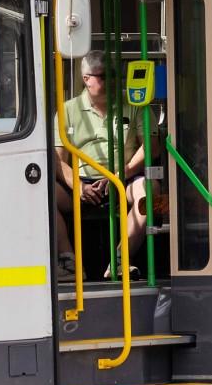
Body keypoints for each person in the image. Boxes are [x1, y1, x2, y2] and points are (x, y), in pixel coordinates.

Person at [55, 51, 152, 278]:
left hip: (122, 180)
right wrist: (78, 186)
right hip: (80, 185)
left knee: (150, 193)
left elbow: (151, 146)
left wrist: (119, 175)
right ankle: (69, 263)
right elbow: (58, 159)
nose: (111, 82)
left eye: (113, 76)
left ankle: (120, 261)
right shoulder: (67, 110)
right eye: (103, 76)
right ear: (86, 79)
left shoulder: (134, 104)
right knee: (41, 193)